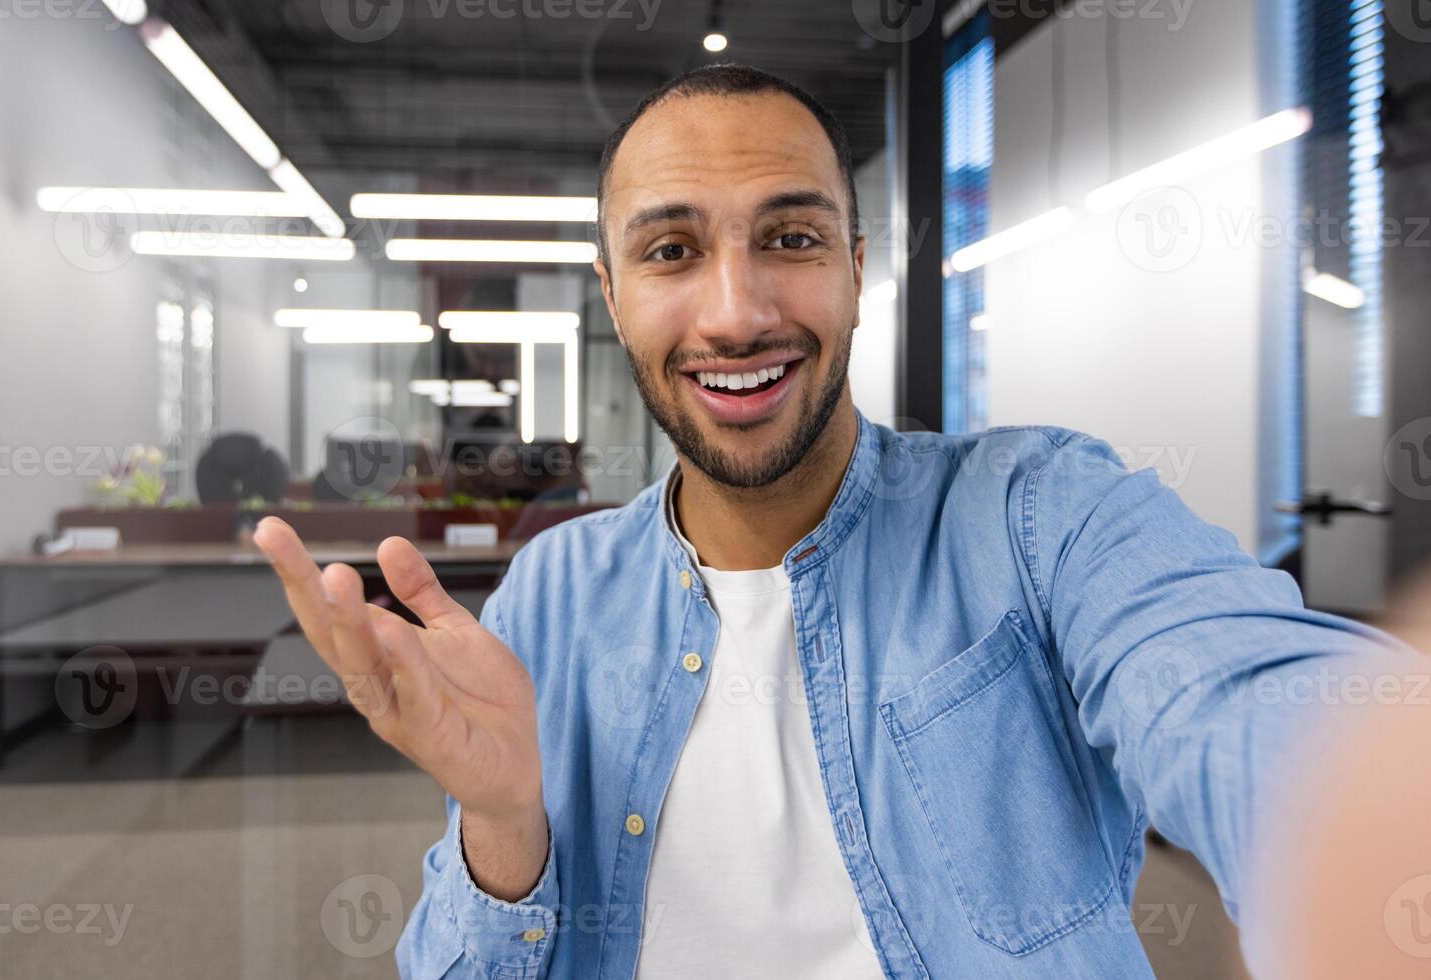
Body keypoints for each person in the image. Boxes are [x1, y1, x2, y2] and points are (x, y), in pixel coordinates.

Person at [253, 65, 1429, 978]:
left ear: (856, 268)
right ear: (613, 296)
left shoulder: (1039, 517)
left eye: (790, 236)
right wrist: (501, 824)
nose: (736, 310)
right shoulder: (552, 595)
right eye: (672, 251)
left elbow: (1245, 703)